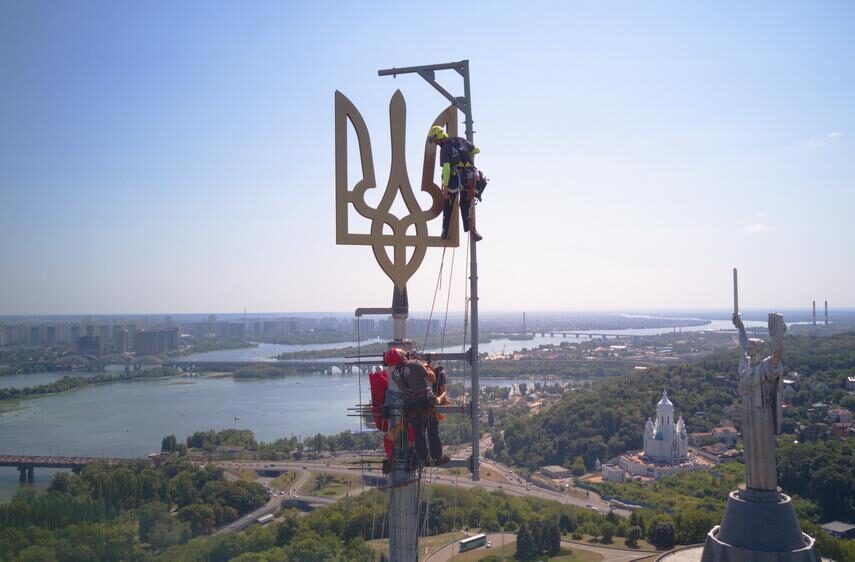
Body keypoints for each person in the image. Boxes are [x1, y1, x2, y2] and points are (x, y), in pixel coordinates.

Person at [732, 312, 785, 494]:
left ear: (759, 350)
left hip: (761, 411)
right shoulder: (746, 365)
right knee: (750, 447)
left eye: (752, 346)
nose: (748, 347)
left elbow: (777, 354)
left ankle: (766, 484)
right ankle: (753, 483)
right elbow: (742, 342)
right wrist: (740, 326)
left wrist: (777, 330)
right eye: (749, 346)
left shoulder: (766, 366)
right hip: (747, 411)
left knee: (763, 445)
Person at [428, 125, 485, 242]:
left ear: (439, 138)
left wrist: (446, 187)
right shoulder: (461, 140)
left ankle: (445, 231)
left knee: (448, 204)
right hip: (469, 178)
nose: (436, 143)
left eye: (436, 141)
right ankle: (472, 231)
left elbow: (447, 168)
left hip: (455, 178)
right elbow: (476, 150)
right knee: (466, 206)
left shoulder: (445, 148)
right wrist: (467, 154)